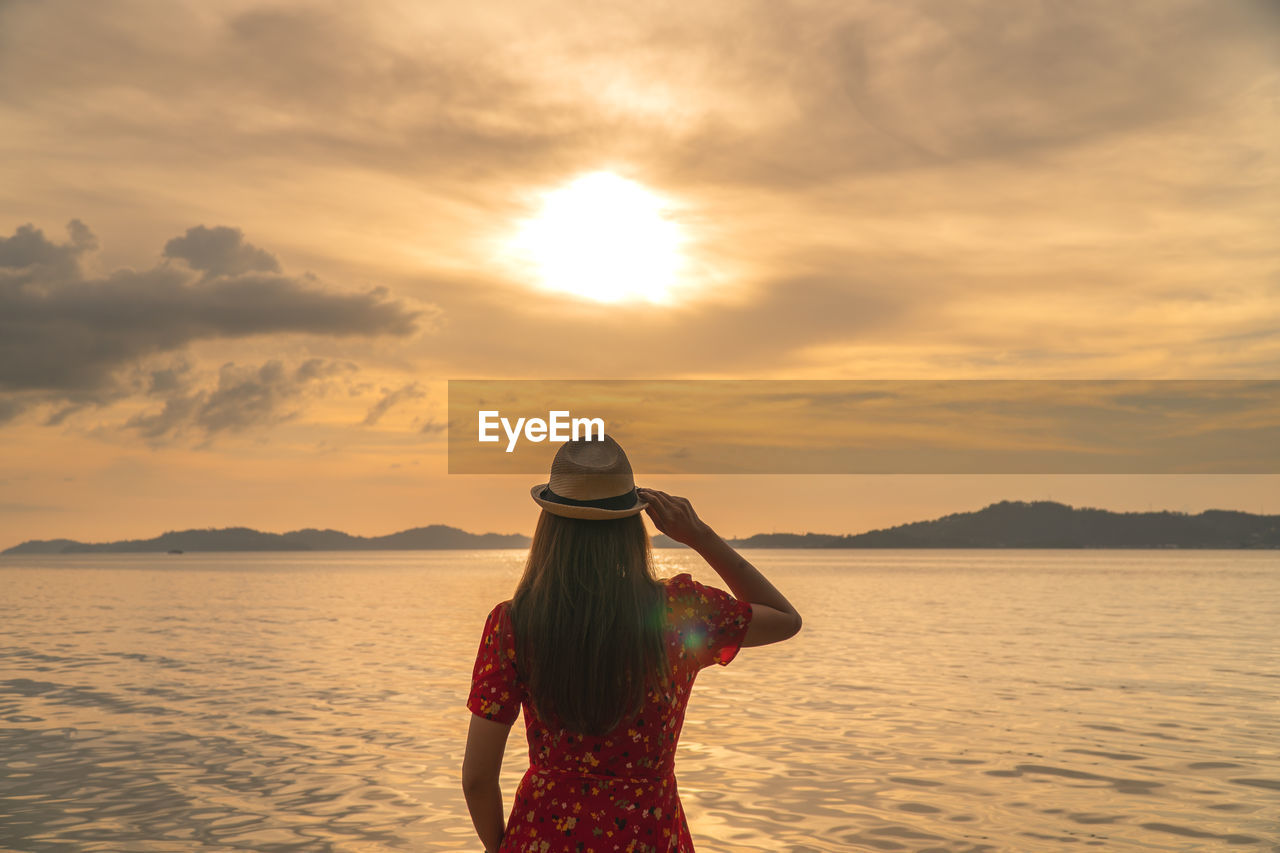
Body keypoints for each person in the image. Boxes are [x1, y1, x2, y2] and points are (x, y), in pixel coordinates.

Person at [462, 435, 802, 853]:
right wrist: (700, 535)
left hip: (541, 838)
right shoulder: (680, 611)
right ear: (631, 525)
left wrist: (502, 846)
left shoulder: (514, 623)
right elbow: (784, 619)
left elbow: (477, 779)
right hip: (649, 837)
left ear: (549, 527)